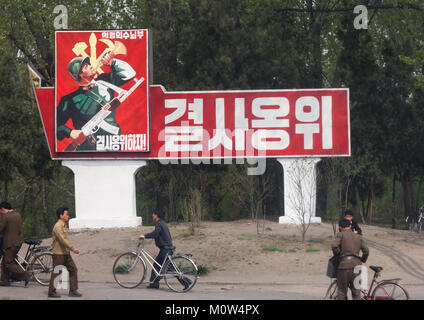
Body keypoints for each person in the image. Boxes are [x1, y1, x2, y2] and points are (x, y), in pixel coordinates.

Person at [56, 52, 136, 151]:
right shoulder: (68, 100)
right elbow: (54, 124)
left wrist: (112, 62)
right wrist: (70, 132)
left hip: (112, 144)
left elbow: (130, 73)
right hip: (88, 149)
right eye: (86, 66)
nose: (90, 66)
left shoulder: (105, 81)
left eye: (88, 64)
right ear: (80, 74)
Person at [48, 206, 82, 298]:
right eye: (66, 214)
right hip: (59, 254)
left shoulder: (63, 225)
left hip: (66, 253)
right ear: (61, 215)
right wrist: (72, 248)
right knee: (57, 272)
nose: (68, 216)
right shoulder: (57, 226)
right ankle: (51, 292)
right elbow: (63, 240)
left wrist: (69, 250)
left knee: (73, 269)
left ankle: (73, 290)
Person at [331, 219, 369, 300]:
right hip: (357, 266)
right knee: (356, 292)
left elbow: (334, 246)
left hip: (344, 266)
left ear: (340, 227)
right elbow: (366, 251)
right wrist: (362, 260)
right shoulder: (358, 236)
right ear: (350, 226)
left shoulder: (340, 235)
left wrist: (338, 255)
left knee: (342, 291)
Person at [139, 211, 174, 289]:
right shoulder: (163, 223)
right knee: (156, 265)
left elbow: (155, 234)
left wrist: (144, 236)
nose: (152, 215)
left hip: (165, 249)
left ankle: (186, 282)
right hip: (166, 248)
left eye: (153, 214)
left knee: (171, 268)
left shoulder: (159, 224)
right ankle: (154, 284)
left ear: (156, 215)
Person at [0, 202, 30, 287]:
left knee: (8, 263)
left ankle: (25, 274)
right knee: (4, 262)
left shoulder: (5, 216)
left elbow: (1, 228)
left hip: (10, 243)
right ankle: (5, 281)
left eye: (0, 211)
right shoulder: (18, 215)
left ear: (3, 209)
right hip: (18, 242)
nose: (0, 213)